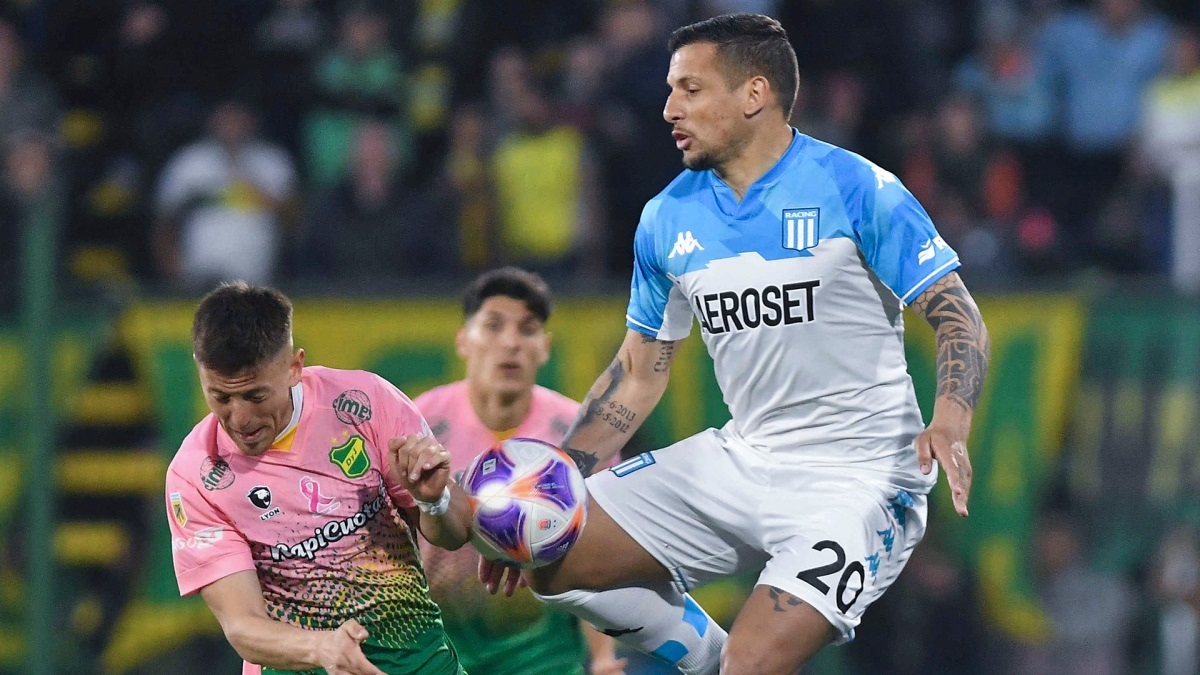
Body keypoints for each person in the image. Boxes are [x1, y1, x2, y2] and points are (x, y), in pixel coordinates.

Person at [482, 14, 990, 675]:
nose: (670, 109)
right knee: (550, 552)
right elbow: (638, 374)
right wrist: (552, 485)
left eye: (691, 90)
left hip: (861, 480)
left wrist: (950, 417)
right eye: (671, 91)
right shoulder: (667, 217)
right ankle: (702, 656)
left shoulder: (856, 187)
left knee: (750, 664)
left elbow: (958, 317)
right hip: (745, 459)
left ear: (754, 95)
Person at [164, 281, 476, 675]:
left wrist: (434, 500)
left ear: (294, 368)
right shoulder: (196, 475)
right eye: (221, 398)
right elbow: (242, 625)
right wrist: (321, 647)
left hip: (417, 661)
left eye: (256, 396)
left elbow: (455, 535)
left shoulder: (365, 403)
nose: (240, 419)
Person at [414, 267, 626, 675]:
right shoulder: (420, 424)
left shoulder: (581, 437)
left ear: (545, 347)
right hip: (438, 654)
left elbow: (598, 558)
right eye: (493, 326)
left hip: (545, 660)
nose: (510, 343)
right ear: (463, 340)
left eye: (527, 330)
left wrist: (602, 657)